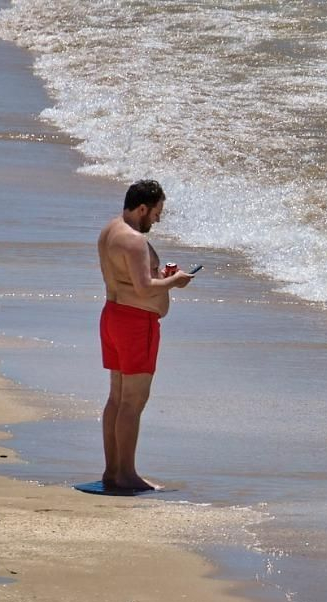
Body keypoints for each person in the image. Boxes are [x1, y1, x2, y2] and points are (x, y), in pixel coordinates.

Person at [95, 180, 196, 493]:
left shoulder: (110, 230)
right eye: (156, 212)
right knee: (133, 401)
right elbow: (143, 288)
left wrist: (160, 277)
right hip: (136, 323)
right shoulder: (135, 240)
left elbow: (130, 280)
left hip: (112, 316)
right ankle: (127, 474)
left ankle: (112, 471)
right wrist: (175, 281)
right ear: (142, 208)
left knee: (117, 397)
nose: (158, 219)